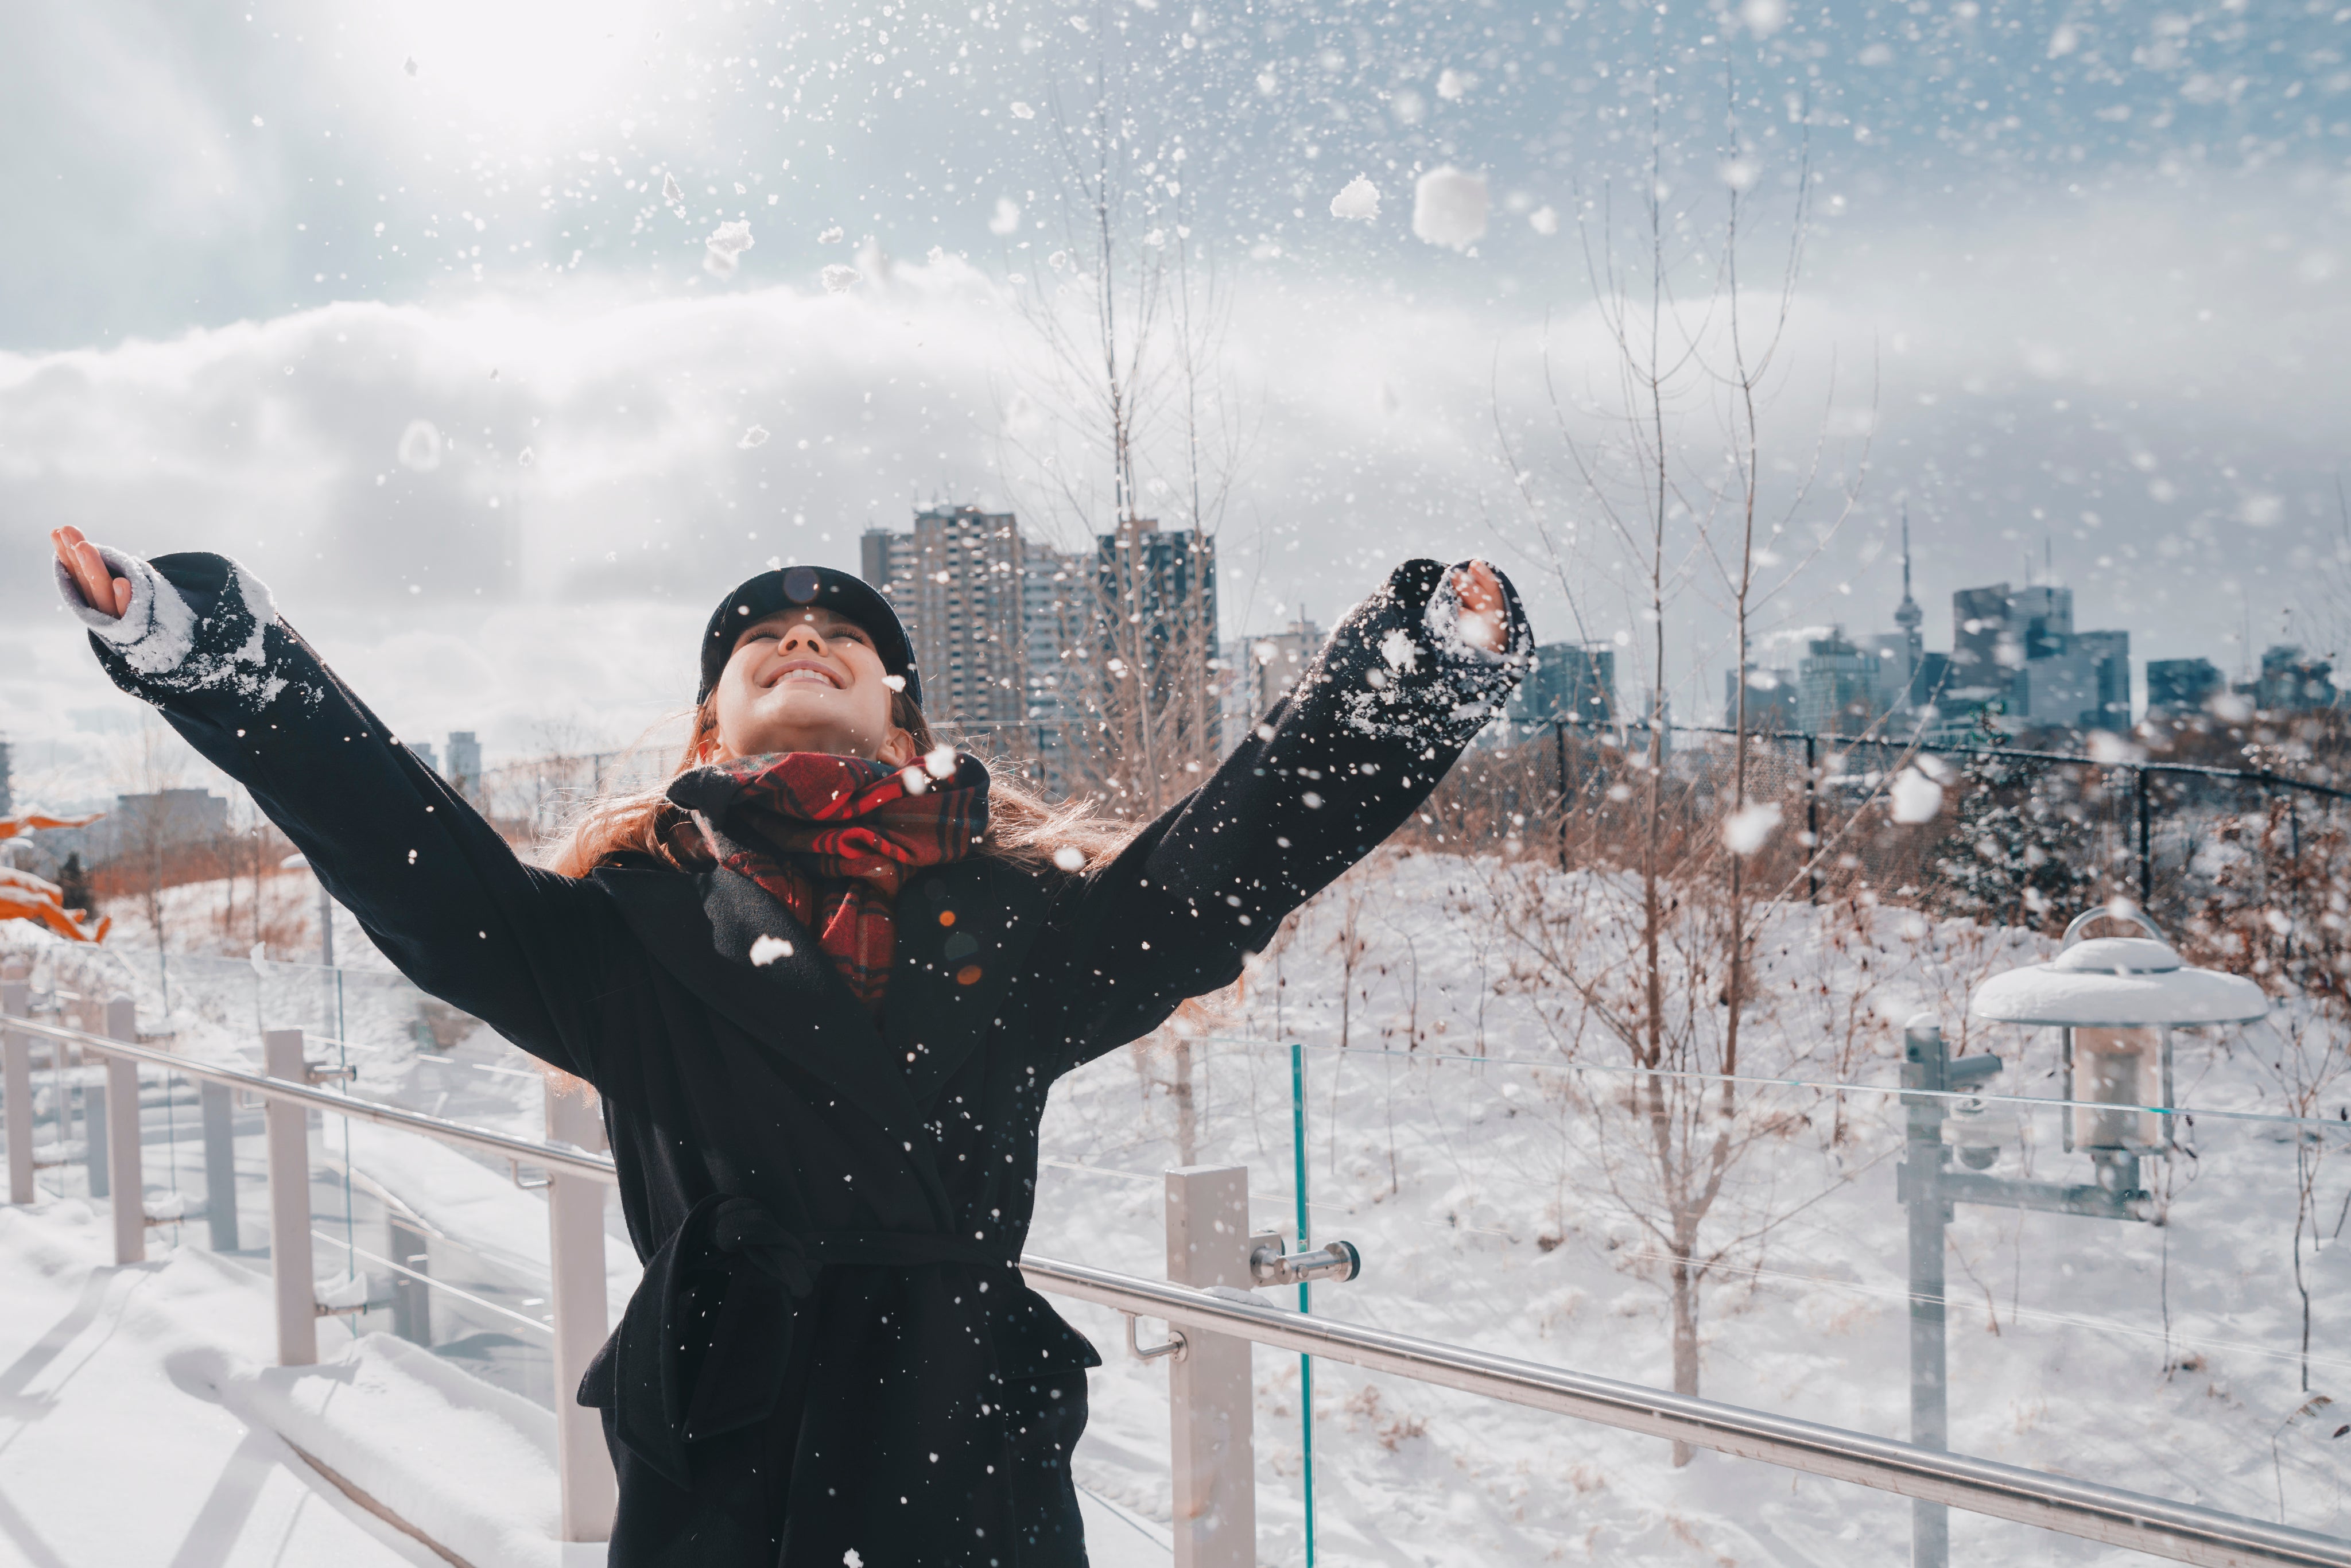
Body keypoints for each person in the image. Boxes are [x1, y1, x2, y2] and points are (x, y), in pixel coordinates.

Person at [50, 522, 1530, 1567]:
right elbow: (403, 852)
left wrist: (1411, 675)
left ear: (900, 713)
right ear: (714, 716)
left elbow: (1223, 867)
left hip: (971, 1458)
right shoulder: (616, 940)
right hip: (727, 1448)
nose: (805, 639)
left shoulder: (1022, 926)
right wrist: (212, 657)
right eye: (764, 640)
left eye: (841, 638)